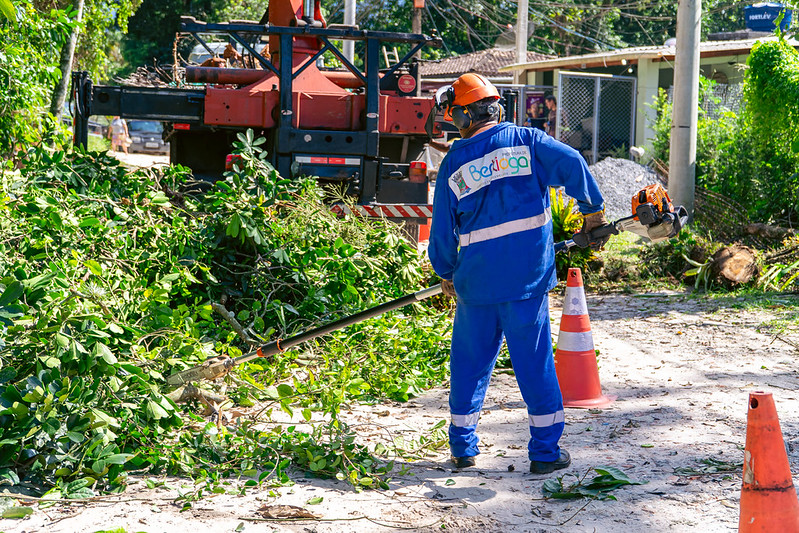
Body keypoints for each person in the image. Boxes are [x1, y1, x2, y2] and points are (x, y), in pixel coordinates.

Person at [427, 73, 608, 474]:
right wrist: (592, 212)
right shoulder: (528, 142)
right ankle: (544, 454)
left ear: (466, 116)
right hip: (526, 282)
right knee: (535, 363)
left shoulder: (454, 162)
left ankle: (462, 449)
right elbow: (574, 161)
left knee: (469, 365)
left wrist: (445, 272)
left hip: (475, 285)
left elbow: (442, 232)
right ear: (496, 107)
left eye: (455, 114)